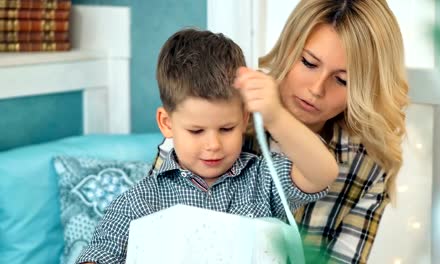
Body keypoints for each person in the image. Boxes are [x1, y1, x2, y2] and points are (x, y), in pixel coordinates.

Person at [154, 0, 409, 263]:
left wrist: (277, 119)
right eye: (309, 63)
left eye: (343, 80)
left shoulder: (369, 162)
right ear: (289, 48)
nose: (316, 89)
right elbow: (157, 218)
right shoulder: (221, 109)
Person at [76, 28, 338, 264]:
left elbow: (321, 174)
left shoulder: (262, 181)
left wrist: (276, 117)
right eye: (196, 131)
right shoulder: (140, 202)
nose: (213, 145)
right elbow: (100, 253)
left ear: (244, 118)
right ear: (167, 123)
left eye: (227, 129)